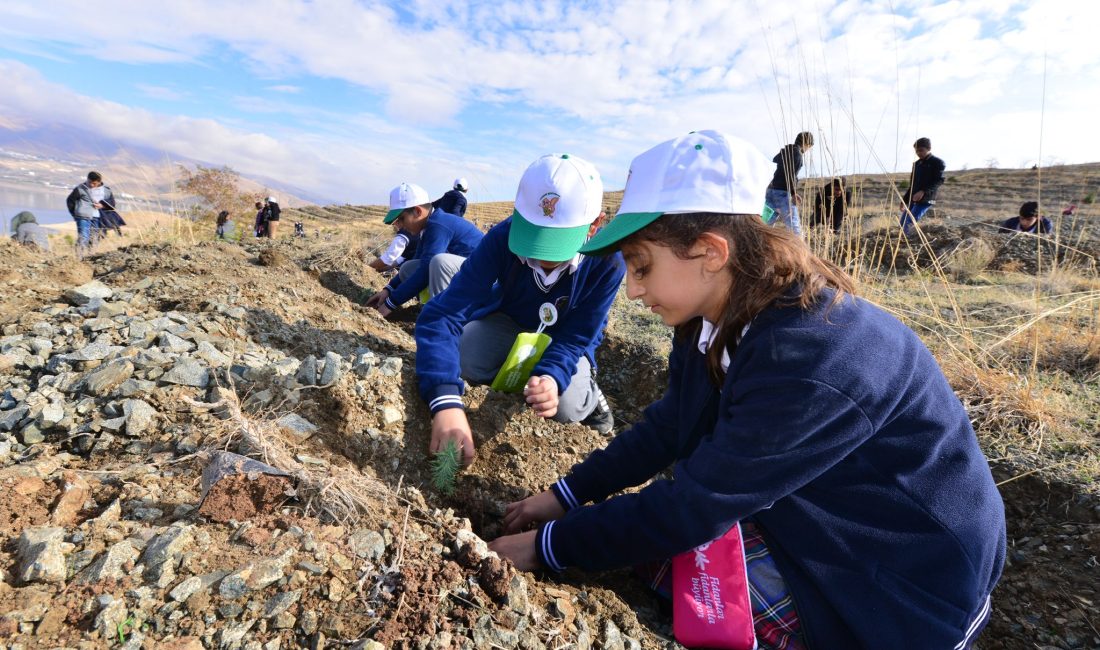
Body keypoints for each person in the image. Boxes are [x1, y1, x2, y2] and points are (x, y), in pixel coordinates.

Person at [488, 130, 1006, 650]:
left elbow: (692, 506)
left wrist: (547, 548)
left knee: (677, 569)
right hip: (821, 512)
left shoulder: (813, 355)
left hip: (903, 584)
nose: (633, 288)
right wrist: (565, 496)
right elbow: (673, 423)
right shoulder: (710, 320)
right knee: (653, 550)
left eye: (642, 265)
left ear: (711, 252)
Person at [415, 154, 624, 462]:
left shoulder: (607, 261)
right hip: (511, 320)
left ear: (593, 226)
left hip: (563, 339)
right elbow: (443, 313)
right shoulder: (503, 236)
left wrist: (551, 377)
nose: (541, 256)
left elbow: (578, 336)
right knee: (463, 355)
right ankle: (522, 374)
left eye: (555, 243)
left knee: (564, 407)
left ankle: (590, 399)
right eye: (532, 237)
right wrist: (445, 402)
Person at [364, 182, 483, 316]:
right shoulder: (428, 226)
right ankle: (429, 308)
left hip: (483, 281)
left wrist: (390, 304)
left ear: (418, 211)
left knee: (439, 262)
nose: (399, 226)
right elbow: (419, 261)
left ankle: (441, 319)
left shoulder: (438, 225)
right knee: (408, 267)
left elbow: (427, 269)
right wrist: (388, 290)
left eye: (401, 219)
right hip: (466, 273)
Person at [764, 131, 813, 237]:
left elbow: (774, 161)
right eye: (809, 147)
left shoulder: (785, 151)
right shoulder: (797, 155)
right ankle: (800, 253)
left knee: (764, 226)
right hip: (783, 194)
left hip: (771, 191)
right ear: (806, 144)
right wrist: (794, 193)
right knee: (795, 231)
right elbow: (790, 175)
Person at [899, 137, 946, 233]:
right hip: (913, 198)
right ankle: (902, 241)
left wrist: (923, 191)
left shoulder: (938, 163)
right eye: (916, 151)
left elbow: (939, 181)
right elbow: (912, 184)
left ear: (929, 148)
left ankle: (907, 242)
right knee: (902, 222)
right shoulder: (916, 164)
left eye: (921, 150)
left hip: (927, 198)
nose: (918, 153)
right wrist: (904, 200)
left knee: (909, 222)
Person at [66, 171, 110, 254]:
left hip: (98, 218)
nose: (91, 185)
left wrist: (102, 205)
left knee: (95, 238)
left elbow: (112, 203)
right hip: (83, 216)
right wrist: (74, 214)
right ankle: (79, 258)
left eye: (94, 183)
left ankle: (91, 257)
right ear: (87, 179)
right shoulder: (80, 188)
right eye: (89, 182)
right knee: (83, 237)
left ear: (99, 182)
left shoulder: (106, 190)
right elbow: (70, 201)